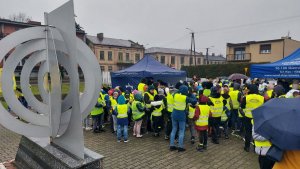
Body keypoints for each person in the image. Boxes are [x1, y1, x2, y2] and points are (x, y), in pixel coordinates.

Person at [169, 85, 197, 152]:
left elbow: (175, 93)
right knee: (181, 130)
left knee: (174, 129)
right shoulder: (185, 97)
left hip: (174, 114)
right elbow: (194, 101)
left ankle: (171, 145)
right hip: (181, 115)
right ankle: (180, 146)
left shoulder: (175, 95)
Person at [240, 84, 264, 152]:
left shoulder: (246, 97)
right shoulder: (261, 97)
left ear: (250, 90)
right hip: (258, 118)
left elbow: (242, 107)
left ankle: (247, 147)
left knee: (248, 132)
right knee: (256, 133)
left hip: (248, 117)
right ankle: (255, 147)